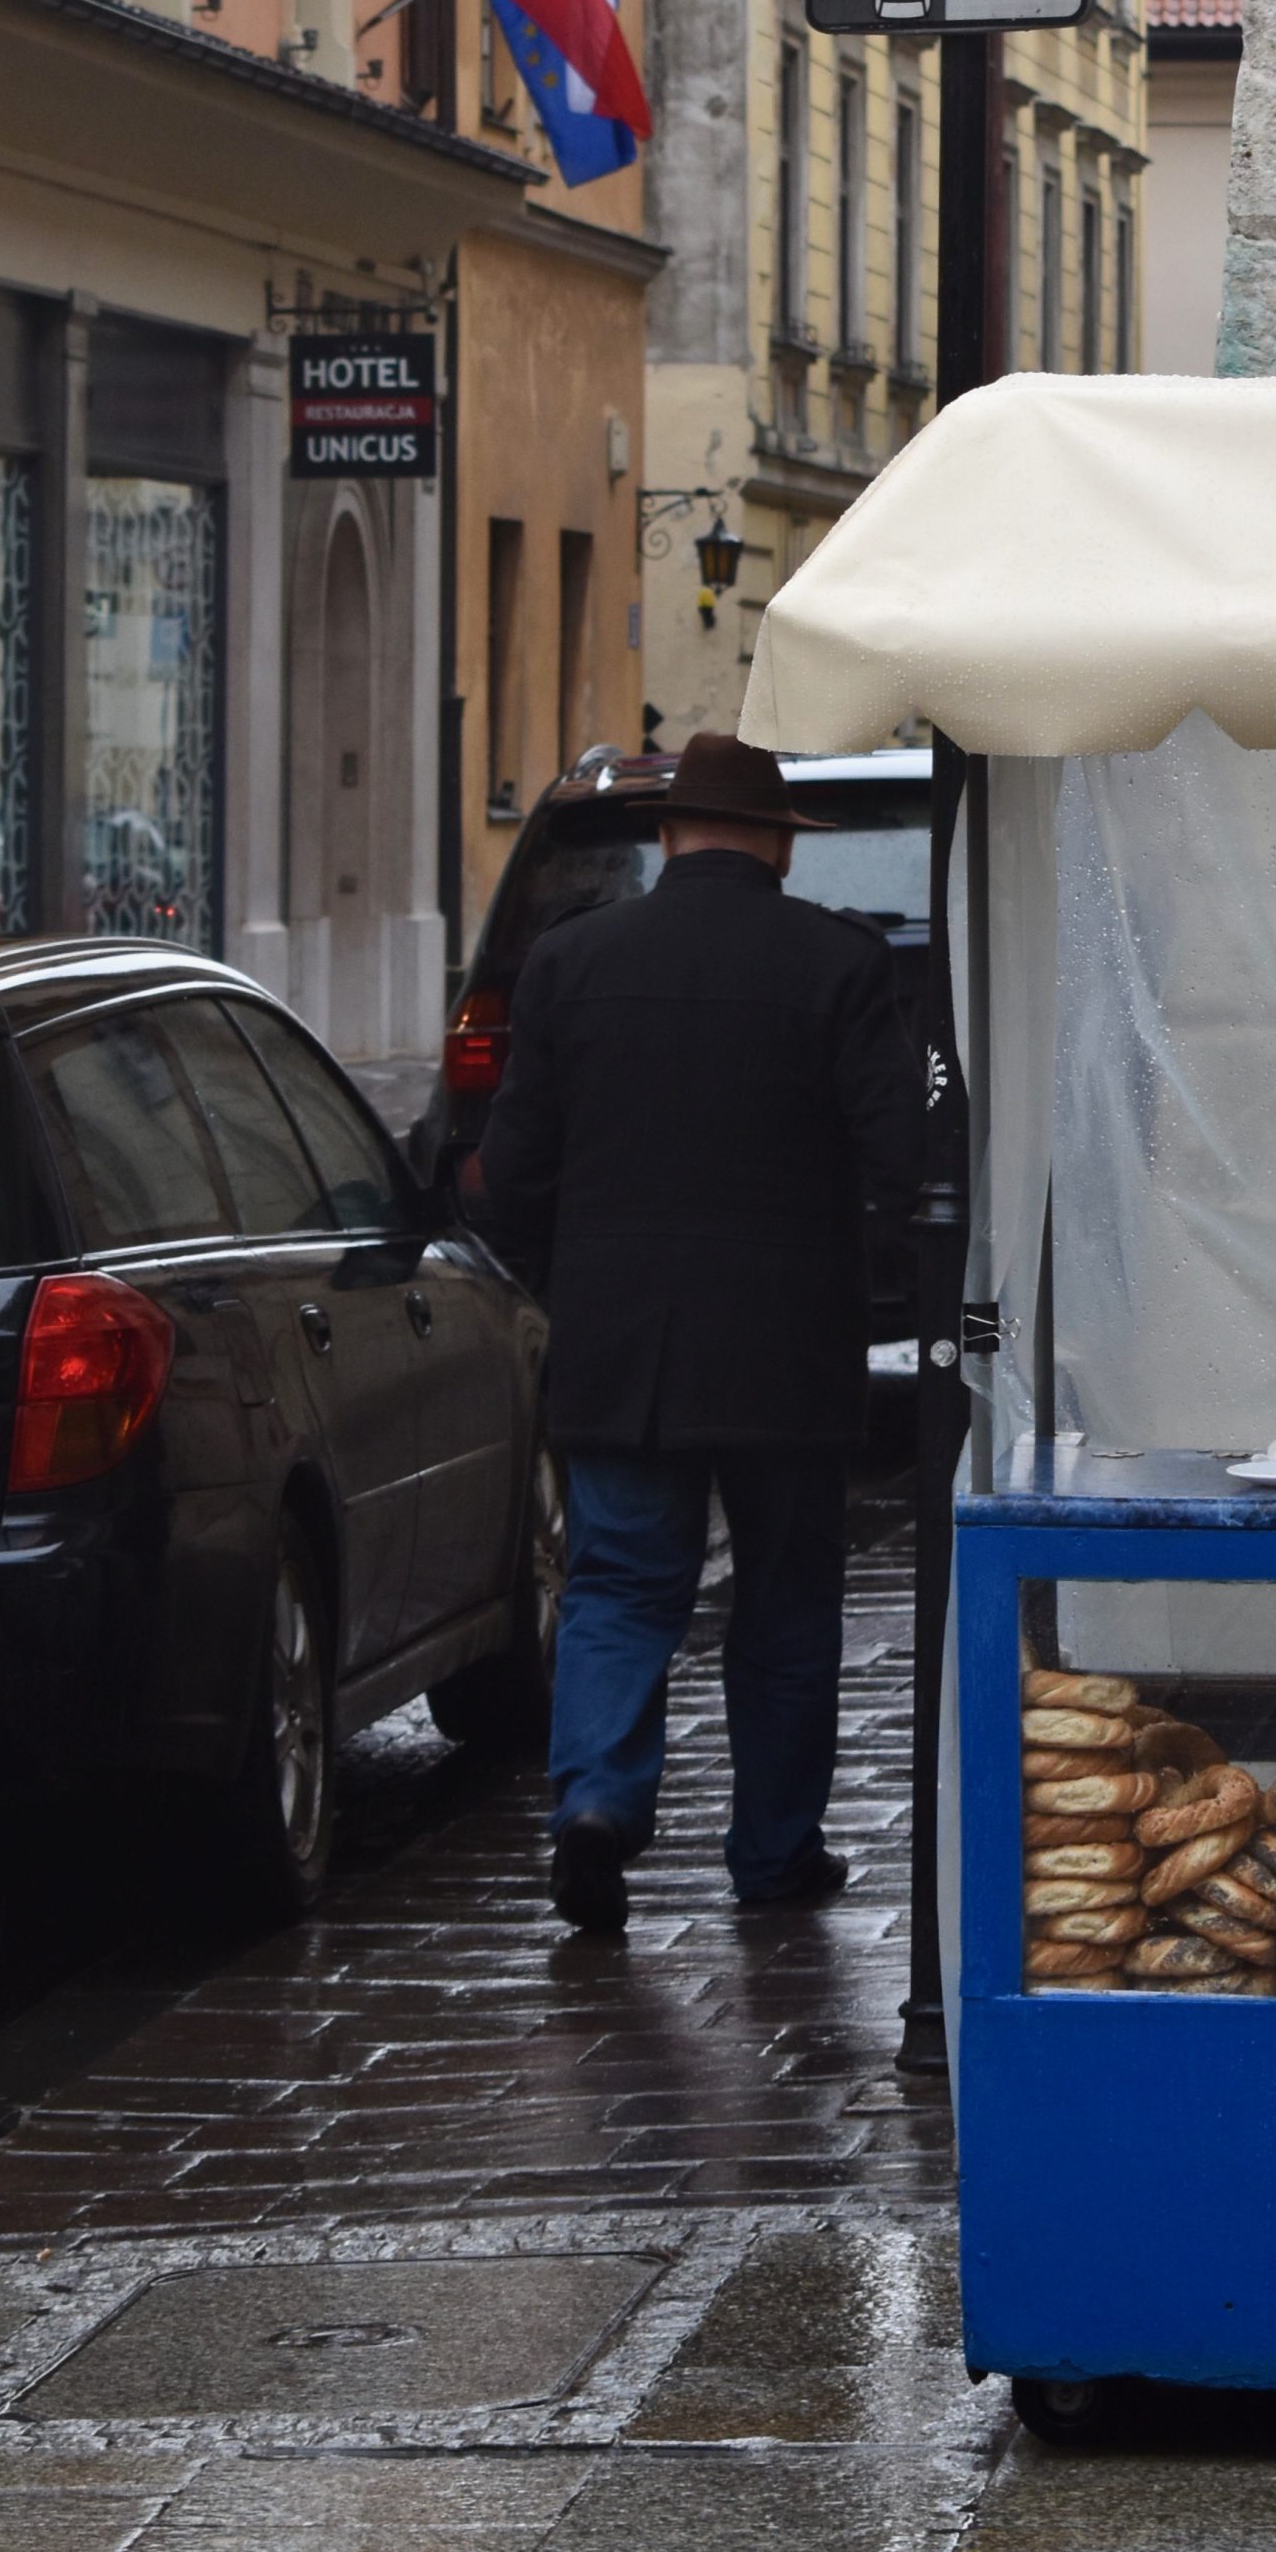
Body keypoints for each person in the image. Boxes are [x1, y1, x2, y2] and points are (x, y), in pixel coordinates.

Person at [479, 727, 924, 1935]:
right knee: (785, 1602)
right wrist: (904, 1287)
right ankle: (774, 1850)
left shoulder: (572, 966)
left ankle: (595, 1805)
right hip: (788, 1345)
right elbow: (902, 1157)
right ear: (778, 845)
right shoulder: (836, 963)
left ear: (669, 836)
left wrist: (556, 1282)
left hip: (624, 1343)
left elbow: (511, 1174)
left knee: (620, 1583)